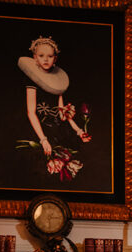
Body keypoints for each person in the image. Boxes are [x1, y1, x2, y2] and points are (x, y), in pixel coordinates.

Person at [17, 37, 90, 177]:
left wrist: (79, 131)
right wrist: (43, 140)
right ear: (35, 58)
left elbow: (63, 115)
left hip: (57, 131)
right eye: (41, 56)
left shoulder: (58, 83)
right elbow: (31, 112)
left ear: (55, 59)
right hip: (39, 130)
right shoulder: (31, 80)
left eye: (50, 56)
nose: (45, 59)